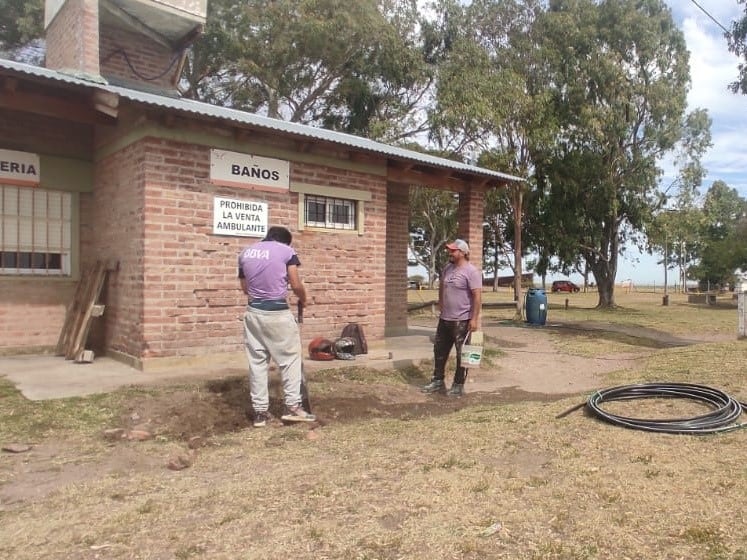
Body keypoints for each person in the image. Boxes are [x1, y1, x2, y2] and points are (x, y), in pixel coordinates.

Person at [238, 226, 315, 426]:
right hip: (277, 314)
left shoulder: (245, 253)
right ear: (285, 241)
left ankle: (260, 413)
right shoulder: (286, 251)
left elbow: (246, 288)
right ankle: (293, 407)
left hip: (253, 313)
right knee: (289, 360)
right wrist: (304, 299)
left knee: (257, 363)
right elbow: (296, 284)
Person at [421, 239, 482, 397]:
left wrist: (474, 319)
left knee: (465, 354)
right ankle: (437, 381)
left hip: (462, 320)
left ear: (463, 253)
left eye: (454, 251)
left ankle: (458, 385)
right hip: (445, 319)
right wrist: (441, 302)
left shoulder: (471, 272)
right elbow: (442, 285)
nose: (450, 253)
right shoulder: (447, 268)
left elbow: (477, 296)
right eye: (450, 250)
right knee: (439, 350)